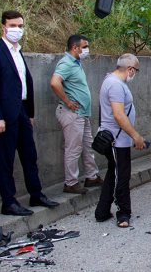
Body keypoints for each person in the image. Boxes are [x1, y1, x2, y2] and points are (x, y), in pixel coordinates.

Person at [0, 10, 59, 216]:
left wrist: (30, 113)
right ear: (3, 27)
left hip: (23, 112)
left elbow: (24, 83)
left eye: (20, 26)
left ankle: (36, 194)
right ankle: (8, 202)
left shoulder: (18, 51)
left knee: (29, 155)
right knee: (6, 160)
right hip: (4, 116)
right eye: (13, 26)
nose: (17, 30)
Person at [95, 53, 147, 228]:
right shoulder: (115, 85)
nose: (135, 74)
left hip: (118, 138)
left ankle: (102, 211)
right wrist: (136, 136)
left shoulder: (112, 81)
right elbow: (118, 115)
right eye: (136, 71)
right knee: (122, 176)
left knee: (113, 173)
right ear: (130, 69)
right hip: (117, 140)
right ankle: (123, 213)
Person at [50, 34, 102, 195]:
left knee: (87, 146)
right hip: (72, 113)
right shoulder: (66, 63)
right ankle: (71, 182)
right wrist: (68, 101)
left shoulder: (76, 63)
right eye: (84, 47)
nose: (87, 50)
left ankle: (91, 177)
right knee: (73, 149)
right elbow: (54, 82)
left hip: (82, 113)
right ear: (75, 48)